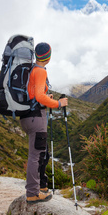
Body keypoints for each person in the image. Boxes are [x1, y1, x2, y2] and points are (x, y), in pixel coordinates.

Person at [20, 42, 68, 204]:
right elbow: (40, 97)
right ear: (48, 57)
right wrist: (59, 104)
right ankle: (33, 193)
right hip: (36, 117)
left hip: (27, 116)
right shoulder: (40, 71)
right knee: (36, 155)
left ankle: (40, 186)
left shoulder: (31, 70)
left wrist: (47, 99)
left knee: (41, 153)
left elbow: (35, 94)